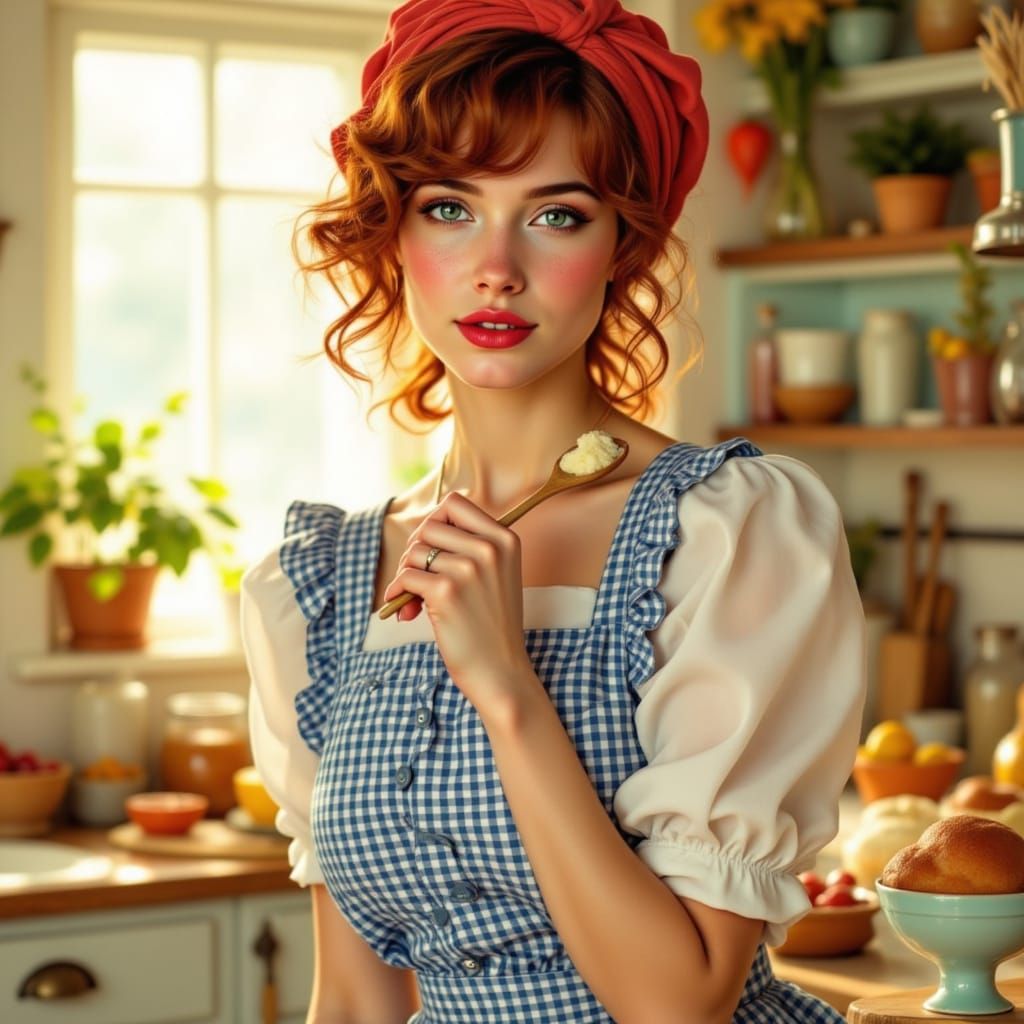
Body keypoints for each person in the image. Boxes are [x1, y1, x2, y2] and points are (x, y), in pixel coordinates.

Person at [240, 1, 866, 1021]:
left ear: (622, 243)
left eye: (556, 214)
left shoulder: (729, 531)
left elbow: (681, 1005)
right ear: (392, 230)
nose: (497, 266)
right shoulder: (317, 587)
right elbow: (355, 1001)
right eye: (449, 206)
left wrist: (507, 689)